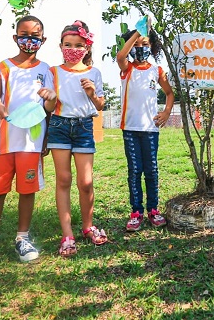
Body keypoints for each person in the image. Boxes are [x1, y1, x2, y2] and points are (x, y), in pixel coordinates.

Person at [0, 16, 55, 272]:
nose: (29, 40)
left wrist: (50, 98)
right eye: (24, 34)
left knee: (27, 191)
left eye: (35, 36)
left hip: (31, 142)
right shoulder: (3, 67)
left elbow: (49, 107)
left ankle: (22, 238)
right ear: (15, 37)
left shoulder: (47, 70)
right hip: (4, 142)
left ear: (43, 40)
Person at [47, 20, 107, 256]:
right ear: (60, 45)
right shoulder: (53, 72)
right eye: (68, 44)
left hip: (83, 127)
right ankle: (67, 234)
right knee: (63, 179)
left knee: (86, 182)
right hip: (60, 125)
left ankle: (88, 227)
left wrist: (92, 93)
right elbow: (48, 105)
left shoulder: (94, 72)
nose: (73, 49)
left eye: (79, 45)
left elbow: (100, 105)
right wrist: (49, 97)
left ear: (87, 47)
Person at [115, 16, 174, 232]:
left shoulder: (157, 70)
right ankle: (136, 212)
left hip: (150, 130)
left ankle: (153, 210)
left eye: (145, 44)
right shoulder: (126, 68)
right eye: (136, 44)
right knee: (134, 170)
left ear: (153, 46)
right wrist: (139, 32)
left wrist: (166, 112)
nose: (140, 48)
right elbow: (121, 54)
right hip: (130, 129)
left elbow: (169, 93)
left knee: (151, 170)